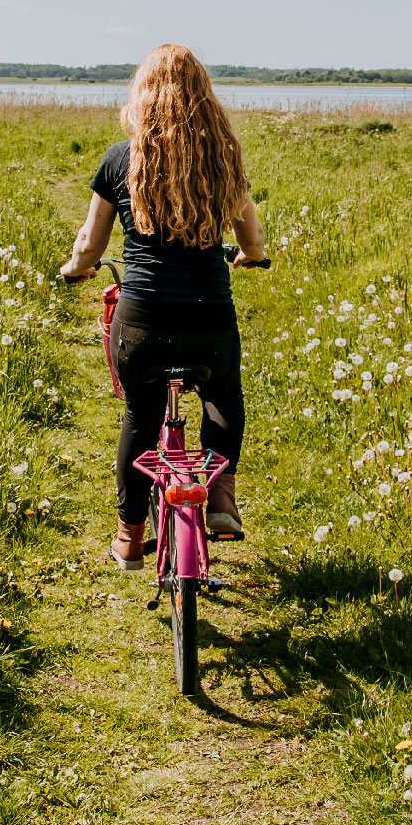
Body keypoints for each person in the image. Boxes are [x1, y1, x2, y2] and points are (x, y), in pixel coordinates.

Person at [59, 44, 267, 570]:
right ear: (204, 96)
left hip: (143, 321)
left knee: (140, 413)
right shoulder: (224, 158)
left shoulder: (119, 159)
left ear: (142, 94)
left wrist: (77, 268)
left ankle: (129, 539)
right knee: (222, 392)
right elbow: (254, 238)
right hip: (208, 319)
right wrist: (248, 257)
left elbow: (89, 242)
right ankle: (220, 496)